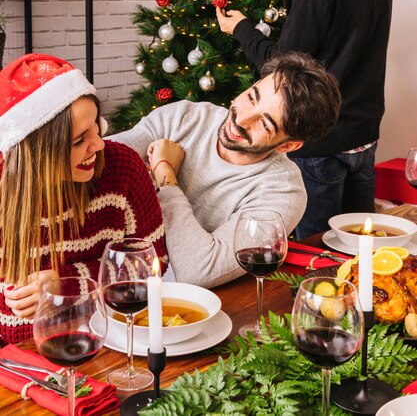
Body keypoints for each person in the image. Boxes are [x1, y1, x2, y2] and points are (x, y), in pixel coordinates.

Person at [216, 0, 392, 239]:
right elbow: (346, 12)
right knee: (360, 247)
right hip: (365, 135)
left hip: (323, 147)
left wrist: (241, 28)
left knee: (317, 252)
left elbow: (280, 67)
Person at [110, 52, 341, 288]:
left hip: (178, 306)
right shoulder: (185, 117)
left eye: (264, 123)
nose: (242, 119)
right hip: (111, 276)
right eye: (252, 98)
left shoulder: (283, 193)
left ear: (287, 145)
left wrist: (165, 175)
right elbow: (103, 158)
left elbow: (198, 270)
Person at [0, 53, 168, 345]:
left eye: (97, 127)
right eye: (79, 140)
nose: (99, 144)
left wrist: (65, 283)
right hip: (18, 362)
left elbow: (154, 262)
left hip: (110, 341)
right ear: (37, 154)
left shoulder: (123, 169)